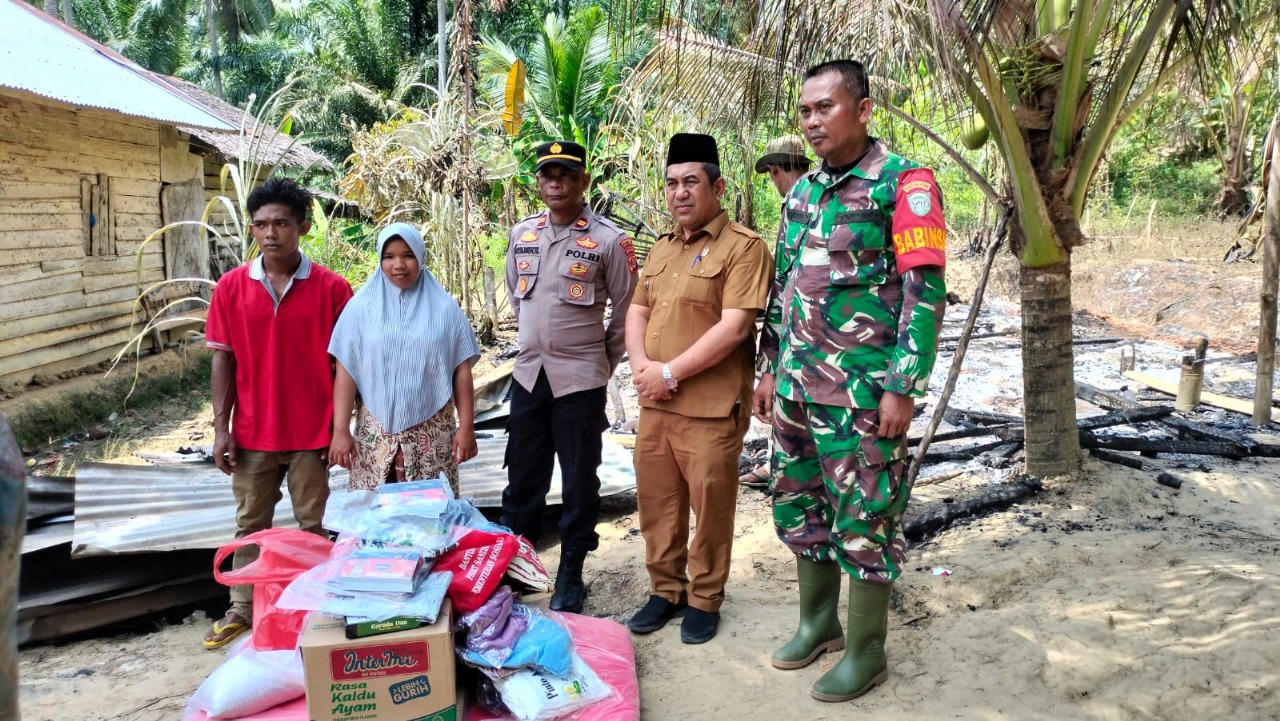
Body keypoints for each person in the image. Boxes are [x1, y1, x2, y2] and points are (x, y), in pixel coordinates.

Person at [754, 59, 947, 702]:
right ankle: (819, 624)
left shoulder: (905, 184)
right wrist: (769, 369)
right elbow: (784, 286)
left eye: (826, 108)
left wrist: (903, 386)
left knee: (865, 517)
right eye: (805, 111)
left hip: (861, 395)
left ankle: (867, 652)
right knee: (799, 505)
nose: (813, 121)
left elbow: (925, 293)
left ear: (863, 110)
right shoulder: (803, 192)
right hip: (796, 389)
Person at [625, 133, 773, 644]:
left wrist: (669, 373)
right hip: (656, 405)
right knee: (657, 504)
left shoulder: (744, 248)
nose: (679, 192)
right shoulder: (662, 248)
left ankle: (705, 598)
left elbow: (735, 327)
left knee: (710, 508)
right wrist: (642, 366)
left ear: (718, 186)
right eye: (671, 183)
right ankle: (666, 591)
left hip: (710, 408)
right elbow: (637, 310)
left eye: (691, 181)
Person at [203, 178, 354, 649]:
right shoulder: (230, 288)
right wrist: (221, 430)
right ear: (252, 228)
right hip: (251, 434)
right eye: (261, 224)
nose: (271, 233)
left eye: (282, 223)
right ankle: (242, 608)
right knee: (251, 526)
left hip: (312, 433)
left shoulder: (332, 289)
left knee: (315, 526)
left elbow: (347, 365)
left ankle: (320, 606)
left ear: (303, 227)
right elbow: (223, 360)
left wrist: (341, 429)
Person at [501, 140, 639, 613]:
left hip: (580, 381)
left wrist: (600, 361)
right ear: (538, 182)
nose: (555, 183)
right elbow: (518, 298)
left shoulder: (609, 241)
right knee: (522, 479)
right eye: (548, 174)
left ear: (584, 181)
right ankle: (517, 572)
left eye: (566, 174)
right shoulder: (522, 234)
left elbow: (626, 311)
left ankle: (570, 574)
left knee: (579, 481)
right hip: (528, 377)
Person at [327, 223, 481, 495]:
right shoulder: (359, 310)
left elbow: (461, 370)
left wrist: (466, 427)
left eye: (408, 255)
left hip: (431, 433)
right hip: (375, 435)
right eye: (389, 257)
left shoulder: (444, 309)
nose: (399, 265)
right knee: (374, 512)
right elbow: (347, 371)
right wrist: (341, 431)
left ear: (420, 256)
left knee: (431, 511)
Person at [755, 134, 812, 199]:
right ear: (806, 166)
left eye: (769, 171)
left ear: (773, 169)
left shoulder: (794, 202)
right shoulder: (820, 191)